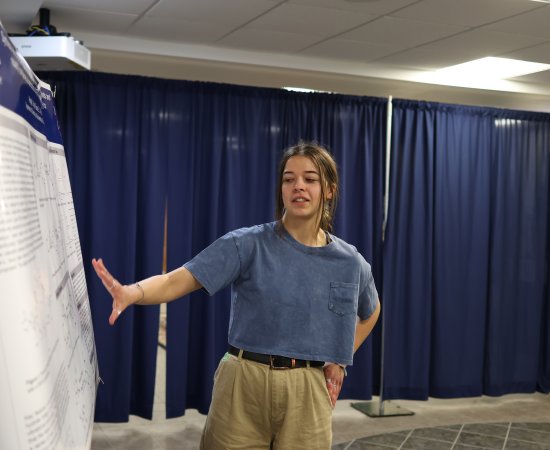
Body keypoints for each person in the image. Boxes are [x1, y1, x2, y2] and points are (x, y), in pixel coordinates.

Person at [92, 141, 380, 450]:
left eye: (310, 179)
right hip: (243, 382)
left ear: (329, 190)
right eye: (289, 179)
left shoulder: (349, 261)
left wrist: (339, 357)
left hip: (308, 391)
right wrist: (131, 293)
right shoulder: (247, 244)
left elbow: (371, 311)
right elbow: (178, 280)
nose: (298, 186)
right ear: (281, 189)